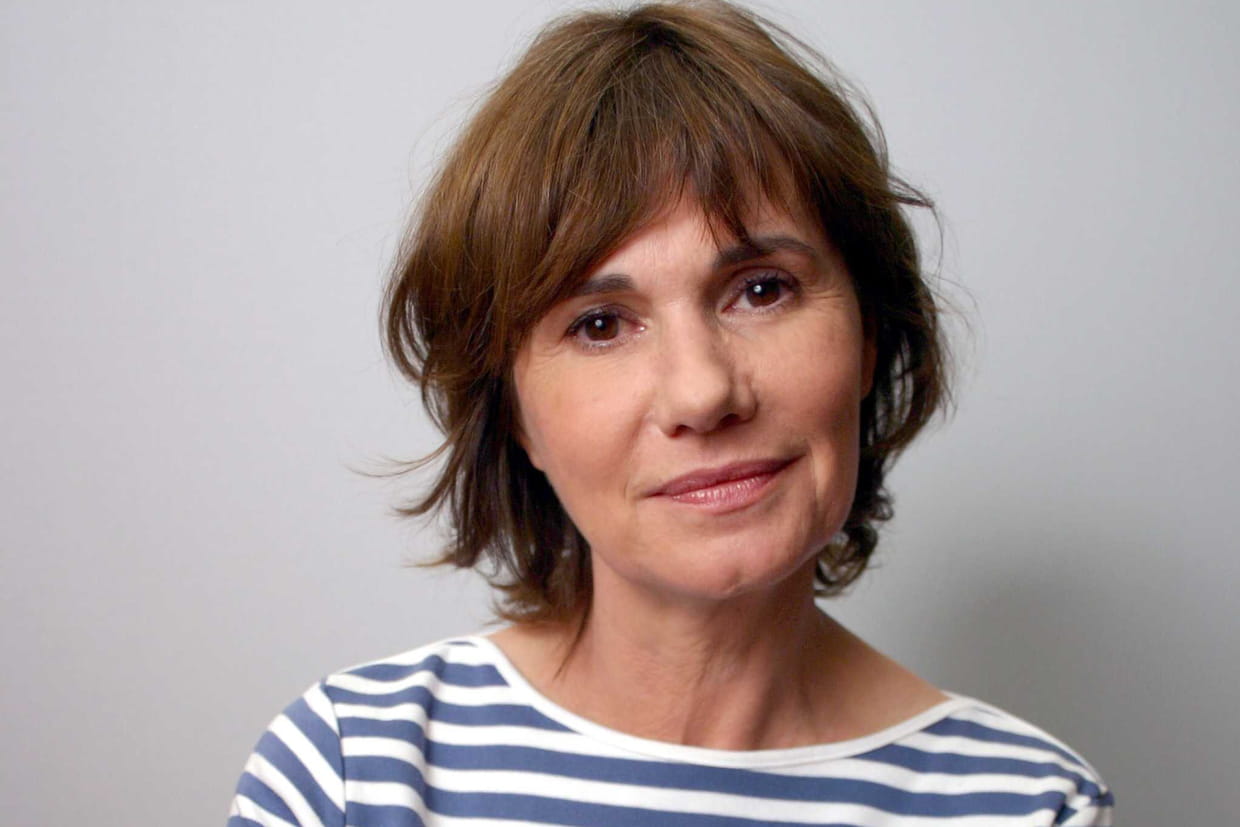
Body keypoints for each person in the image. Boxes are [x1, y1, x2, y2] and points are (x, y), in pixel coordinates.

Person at [229, 2, 1114, 824]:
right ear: (515, 414)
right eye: (600, 324)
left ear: (869, 333)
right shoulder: (352, 771)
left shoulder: (1030, 805)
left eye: (761, 290)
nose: (702, 393)